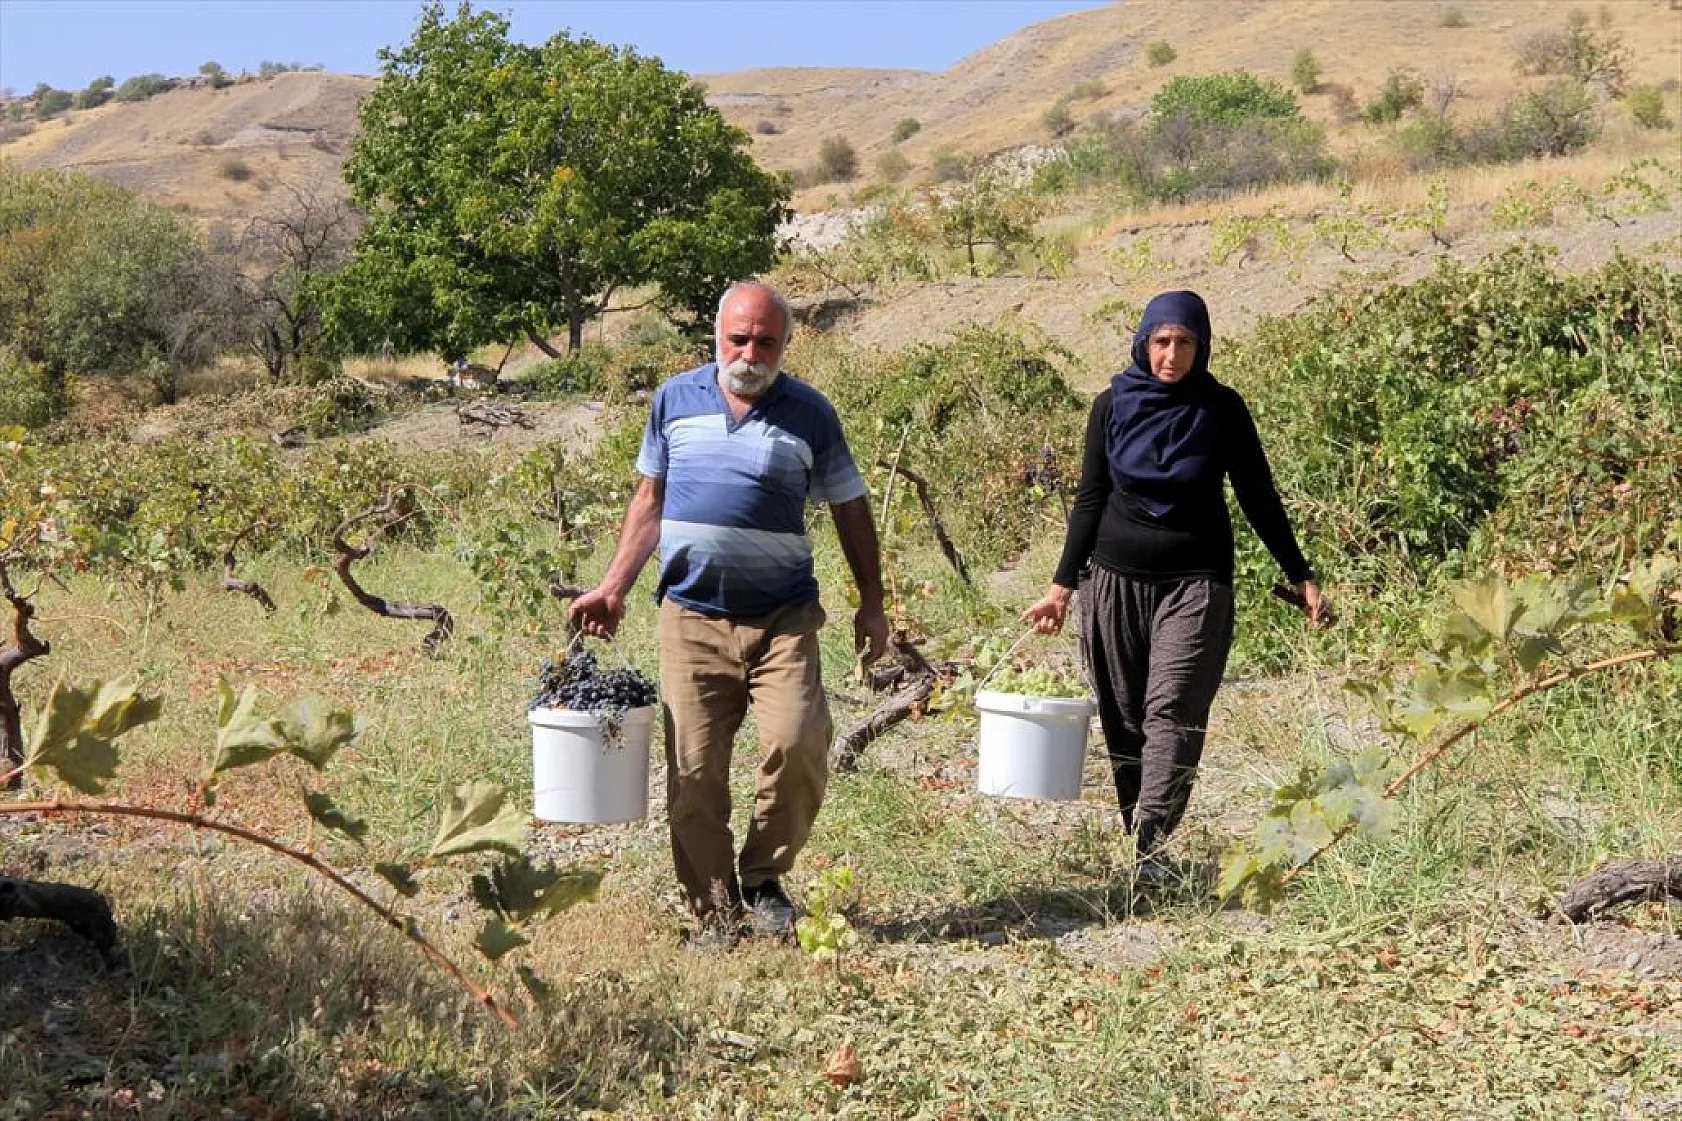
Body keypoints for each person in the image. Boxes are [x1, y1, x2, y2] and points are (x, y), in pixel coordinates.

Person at [570, 281, 888, 937]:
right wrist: (613, 585)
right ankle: (716, 912)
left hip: (783, 617)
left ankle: (764, 877)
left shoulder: (810, 413)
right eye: (738, 338)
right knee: (694, 772)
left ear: (785, 344)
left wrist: (872, 604)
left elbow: (850, 508)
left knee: (799, 739)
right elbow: (649, 502)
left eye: (765, 341)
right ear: (716, 336)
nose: (750, 352)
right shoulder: (674, 400)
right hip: (691, 615)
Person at [1021, 290, 1326, 880]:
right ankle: (1142, 831)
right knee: (1125, 714)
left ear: (1202, 346)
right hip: (1112, 584)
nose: (1172, 355)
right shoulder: (1111, 406)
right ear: (1142, 343)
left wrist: (1301, 574)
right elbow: (1089, 500)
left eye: (1185, 343)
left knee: (1173, 709)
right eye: (1162, 341)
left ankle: (1152, 844)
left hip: (1195, 585)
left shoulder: (1222, 411)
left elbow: (1258, 496)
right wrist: (1061, 589)